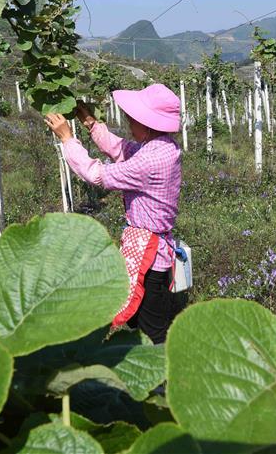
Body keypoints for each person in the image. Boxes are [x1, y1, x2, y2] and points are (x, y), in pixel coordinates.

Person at [44, 84, 182, 344]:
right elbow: (122, 149)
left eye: (134, 119)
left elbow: (97, 175)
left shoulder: (150, 160)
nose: (130, 123)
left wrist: (67, 139)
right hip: (154, 248)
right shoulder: (163, 147)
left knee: (152, 329)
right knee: (142, 320)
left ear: (149, 124)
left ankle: (163, 379)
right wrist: (92, 124)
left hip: (151, 255)